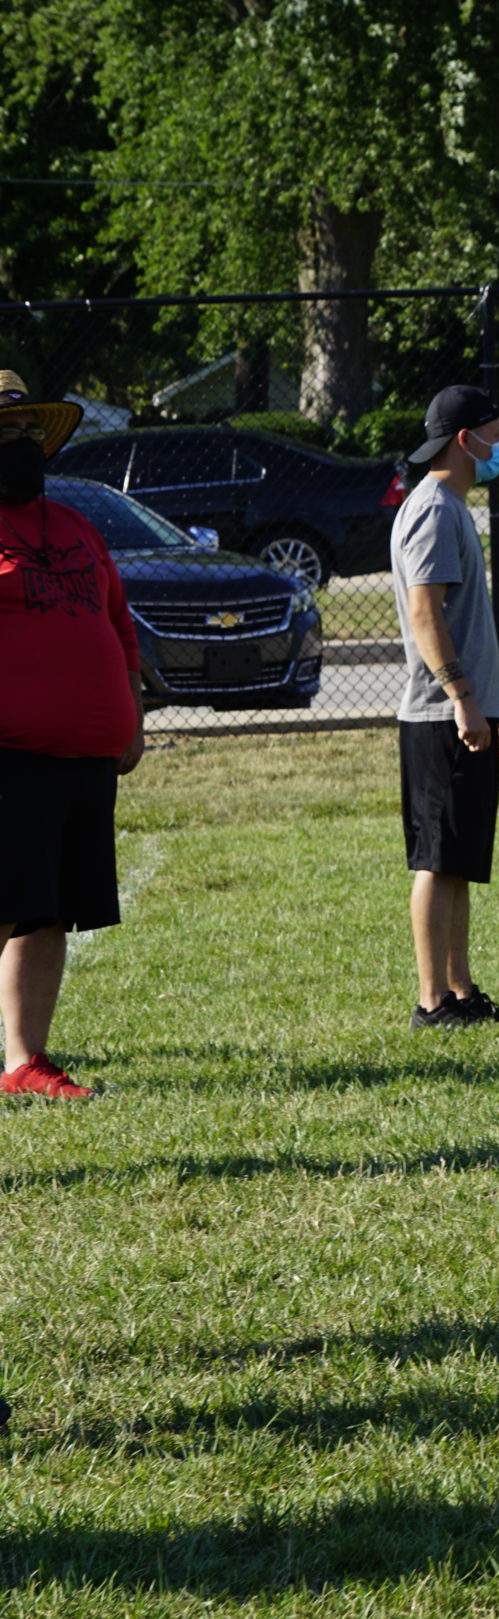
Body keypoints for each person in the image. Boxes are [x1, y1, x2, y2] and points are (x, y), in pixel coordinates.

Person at [0, 371, 145, 1097]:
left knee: (48, 909)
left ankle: (27, 1061)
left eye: (31, 432)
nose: (22, 446)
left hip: (85, 758)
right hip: (11, 758)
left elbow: (117, 623)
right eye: (6, 435)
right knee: (8, 904)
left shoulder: (78, 527)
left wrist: (131, 712)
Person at [393, 384, 499, 1028]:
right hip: (438, 713)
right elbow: (424, 612)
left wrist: (485, 706)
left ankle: (460, 991)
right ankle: (429, 1002)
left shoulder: (450, 506)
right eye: (494, 433)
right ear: (462, 440)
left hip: (462, 712)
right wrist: (463, 699)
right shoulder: (434, 510)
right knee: (436, 857)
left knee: (459, 860)